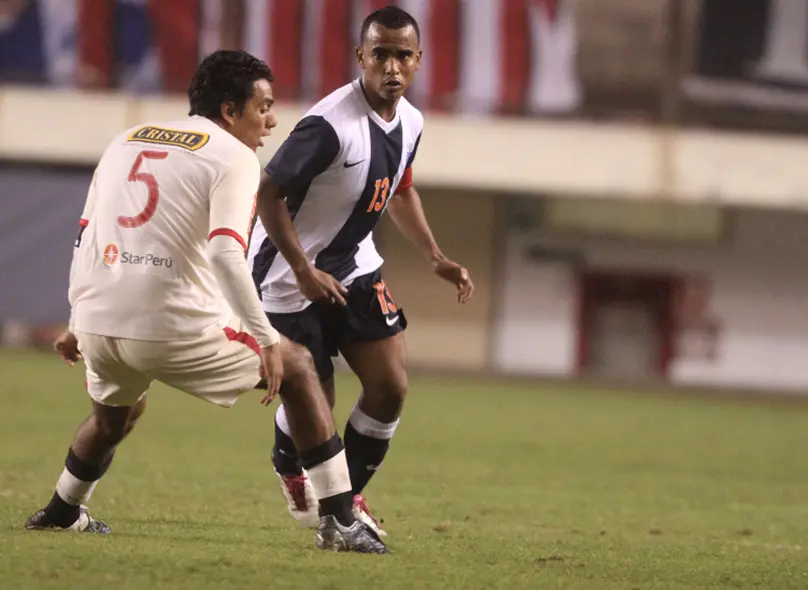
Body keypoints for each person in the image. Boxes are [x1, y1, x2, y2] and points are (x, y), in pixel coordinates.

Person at [22, 49, 386, 554]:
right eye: (263, 107)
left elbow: (85, 235)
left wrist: (74, 320)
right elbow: (224, 254)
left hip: (98, 322)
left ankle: (62, 510)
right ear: (231, 110)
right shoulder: (235, 156)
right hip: (171, 326)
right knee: (299, 365)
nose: (272, 120)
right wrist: (265, 339)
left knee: (116, 416)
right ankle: (341, 521)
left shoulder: (126, 139)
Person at [248, 6, 474, 533]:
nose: (391, 67)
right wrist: (303, 270)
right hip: (287, 275)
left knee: (391, 385)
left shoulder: (412, 121)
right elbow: (268, 193)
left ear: (418, 61)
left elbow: (400, 188)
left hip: (354, 266)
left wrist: (435, 255)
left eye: (402, 55)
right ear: (361, 57)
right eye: (381, 55)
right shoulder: (328, 126)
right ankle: (295, 469)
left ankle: (346, 498)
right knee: (315, 402)